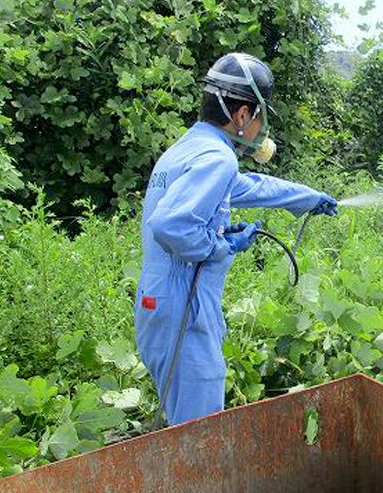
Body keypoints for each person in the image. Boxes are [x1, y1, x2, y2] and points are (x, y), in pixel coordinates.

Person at [135, 52, 338, 426]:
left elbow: (250, 186)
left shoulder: (188, 148)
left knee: (182, 421)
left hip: (158, 301)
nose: (261, 128)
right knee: (199, 432)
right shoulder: (218, 158)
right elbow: (170, 225)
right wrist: (219, 246)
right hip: (185, 305)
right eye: (261, 116)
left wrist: (306, 197)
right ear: (243, 115)